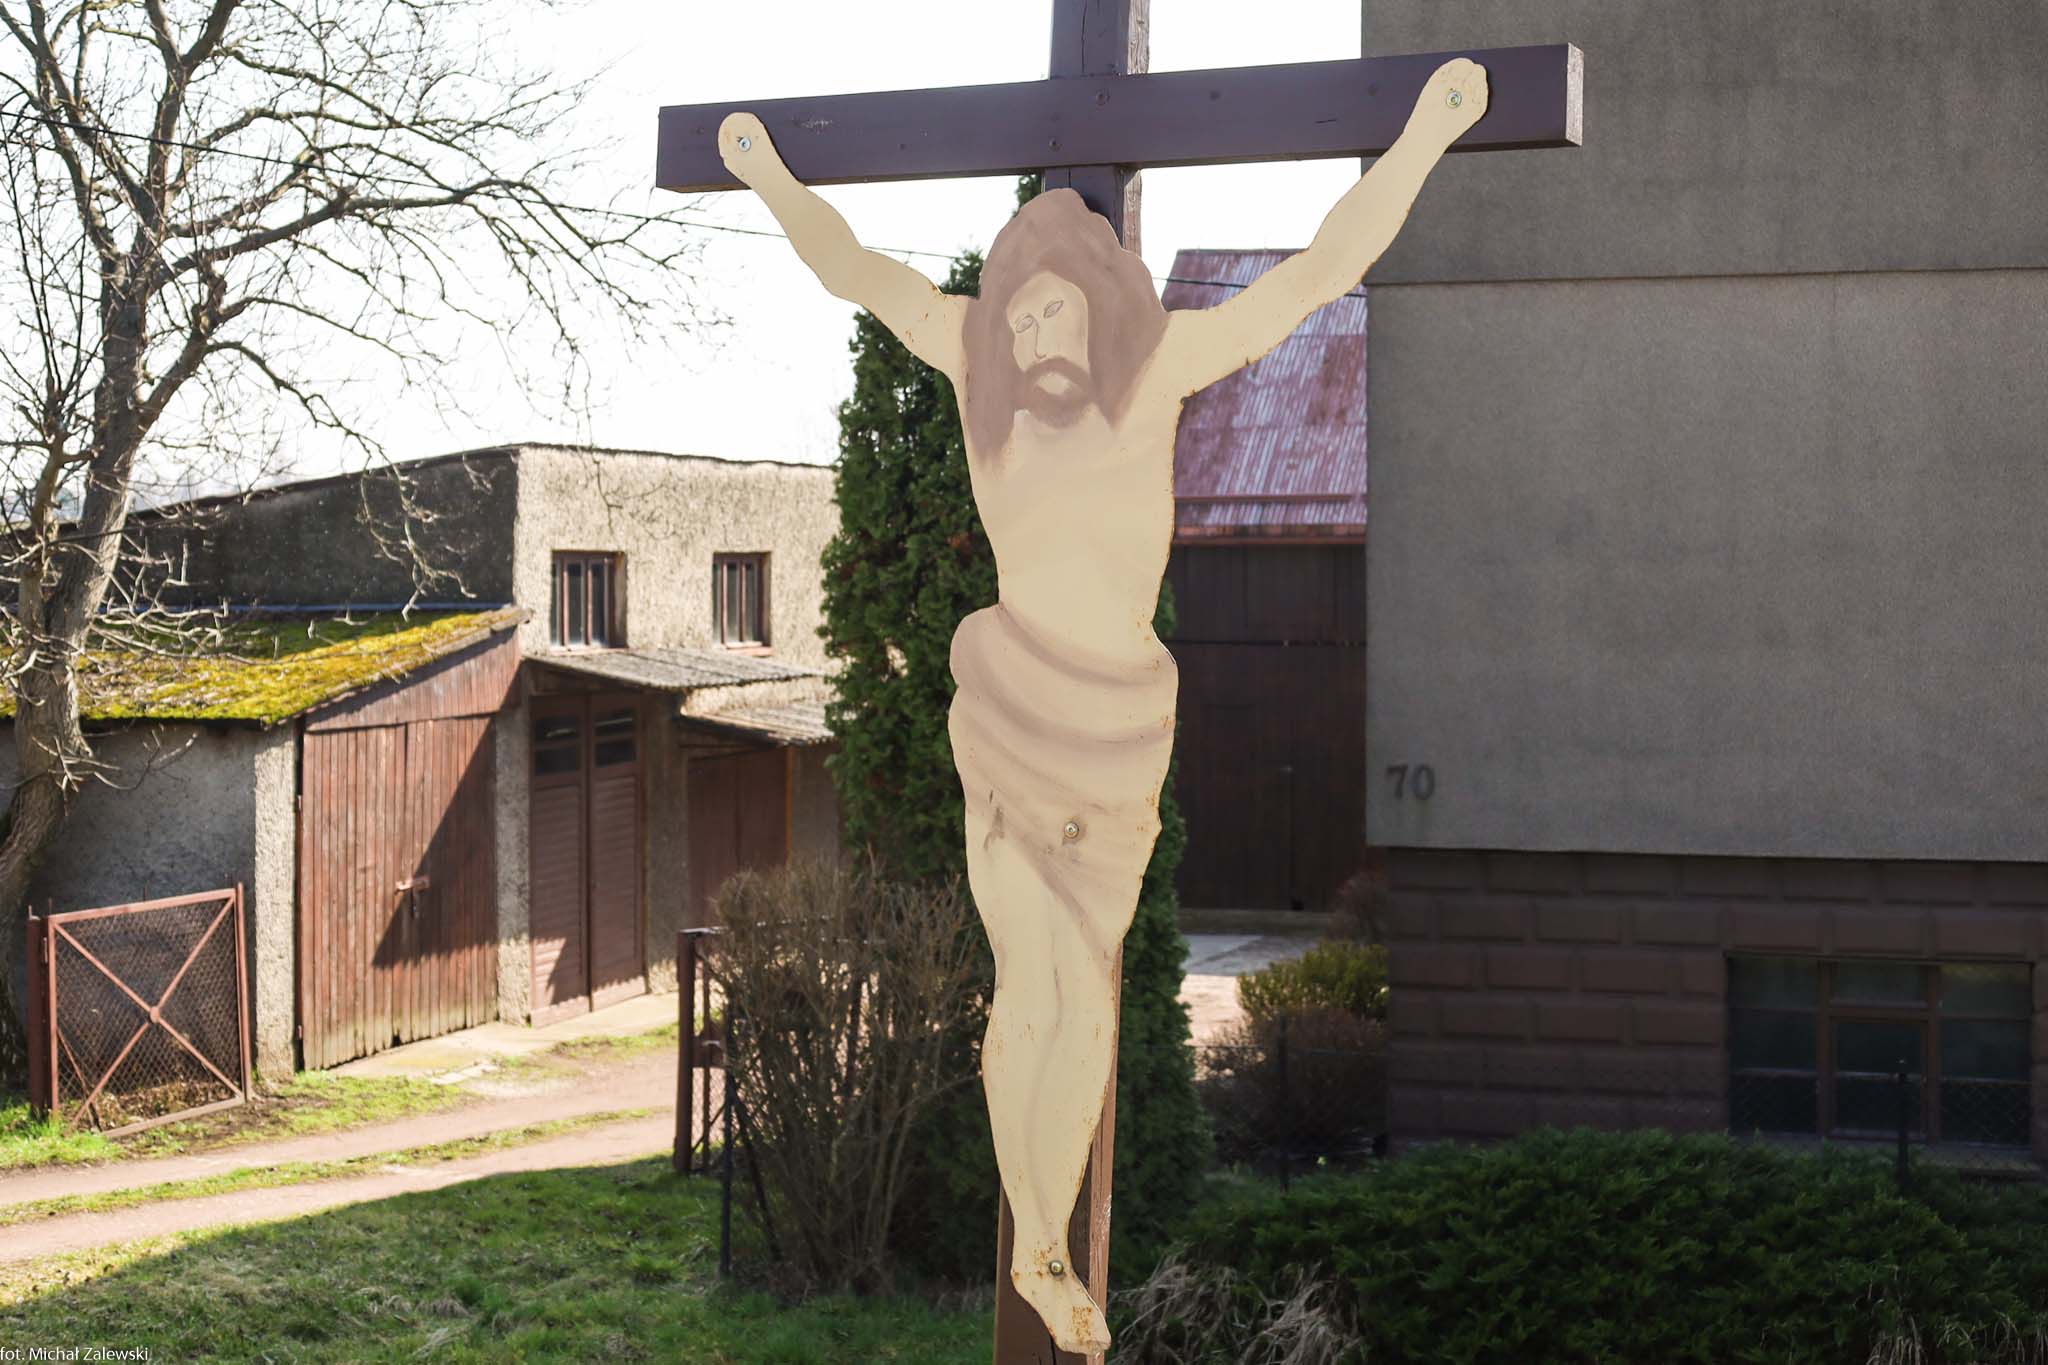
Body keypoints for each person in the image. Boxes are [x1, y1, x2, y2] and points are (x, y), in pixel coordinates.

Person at [718, 58, 1487, 1353]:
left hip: (1121, 724)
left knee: (1082, 989)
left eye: (1051, 313)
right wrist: (766, 176)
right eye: (1015, 319)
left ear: (1097, 308)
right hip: (1013, 698)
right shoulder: (977, 367)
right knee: (1029, 973)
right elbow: (857, 271)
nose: (1030, 337)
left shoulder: (1164, 366)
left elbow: (1319, 270)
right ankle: (1037, 1240)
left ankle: (1043, 1236)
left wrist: (1423, 138)